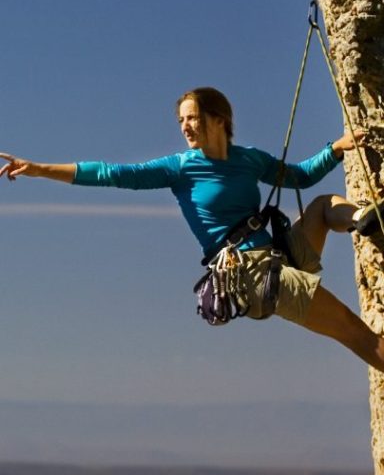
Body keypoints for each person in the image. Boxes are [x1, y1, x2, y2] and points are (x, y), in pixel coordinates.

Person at [1, 86, 384, 370]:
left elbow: (299, 177)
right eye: (181, 119)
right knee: (357, 334)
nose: (185, 125)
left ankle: (367, 222)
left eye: (192, 116)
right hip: (251, 275)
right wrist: (38, 169)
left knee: (324, 206)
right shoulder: (181, 167)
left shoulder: (248, 159)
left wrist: (335, 150)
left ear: (219, 119)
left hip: (278, 255)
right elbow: (110, 174)